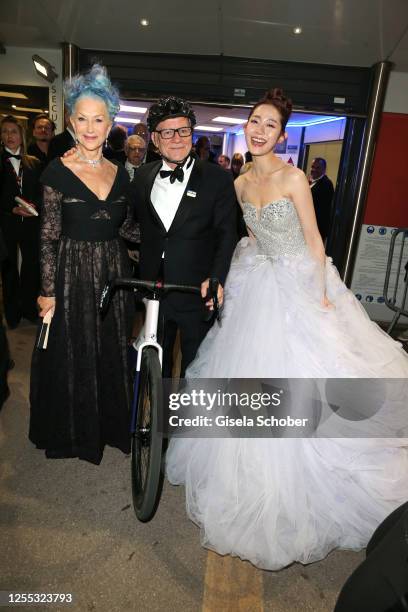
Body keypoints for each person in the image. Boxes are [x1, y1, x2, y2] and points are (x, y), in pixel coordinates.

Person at [166, 88, 408, 571]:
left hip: (298, 280)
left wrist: (318, 296)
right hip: (259, 278)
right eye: (255, 120)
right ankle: (248, 474)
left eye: (270, 125)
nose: (259, 130)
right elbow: (252, 236)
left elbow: (315, 242)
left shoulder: (295, 178)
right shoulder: (237, 183)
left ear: (282, 133)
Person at [29, 65, 138, 465]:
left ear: (110, 123)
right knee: (73, 354)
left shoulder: (121, 175)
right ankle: (75, 434)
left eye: (99, 119)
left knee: (109, 351)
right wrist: (46, 293)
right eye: (82, 118)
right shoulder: (57, 171)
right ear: (71, 121)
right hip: (71, 275)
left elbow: (128, 228)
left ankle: (108, 427)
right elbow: (48, 235)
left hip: (114, 274)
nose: (90, 128)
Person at [128, 96, 237, 377]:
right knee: (155, 368)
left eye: (183, 130)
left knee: (195, 367)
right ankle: (158, 415)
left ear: (192, 133)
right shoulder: (142, 177)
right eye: (167, 131)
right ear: (154, 138)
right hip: (154, 290)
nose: (176, 138)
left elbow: (227, 236)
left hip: (196, 291)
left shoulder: (218, 179)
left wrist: (216, 279)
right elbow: (134, 223)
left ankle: (187, 418)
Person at [0, 115, 42, 328]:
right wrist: (11, 208)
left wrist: (34, 205)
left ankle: (28, 309)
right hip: (7, 223)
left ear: (21, 135)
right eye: (5, 131)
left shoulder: (33, 162)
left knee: (31, 268)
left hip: (31, 224)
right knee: (9, 271)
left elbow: (42, 192)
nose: (9, 136)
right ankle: (12, 314)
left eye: (13, 131)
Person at [309, 157, 335, 243]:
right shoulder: (309, 181)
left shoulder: (326, 184)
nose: (314, 170)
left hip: (317, 228)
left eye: (318, 168)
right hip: (308, 227)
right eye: (312, 167)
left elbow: (322, 210)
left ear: (324, 169)